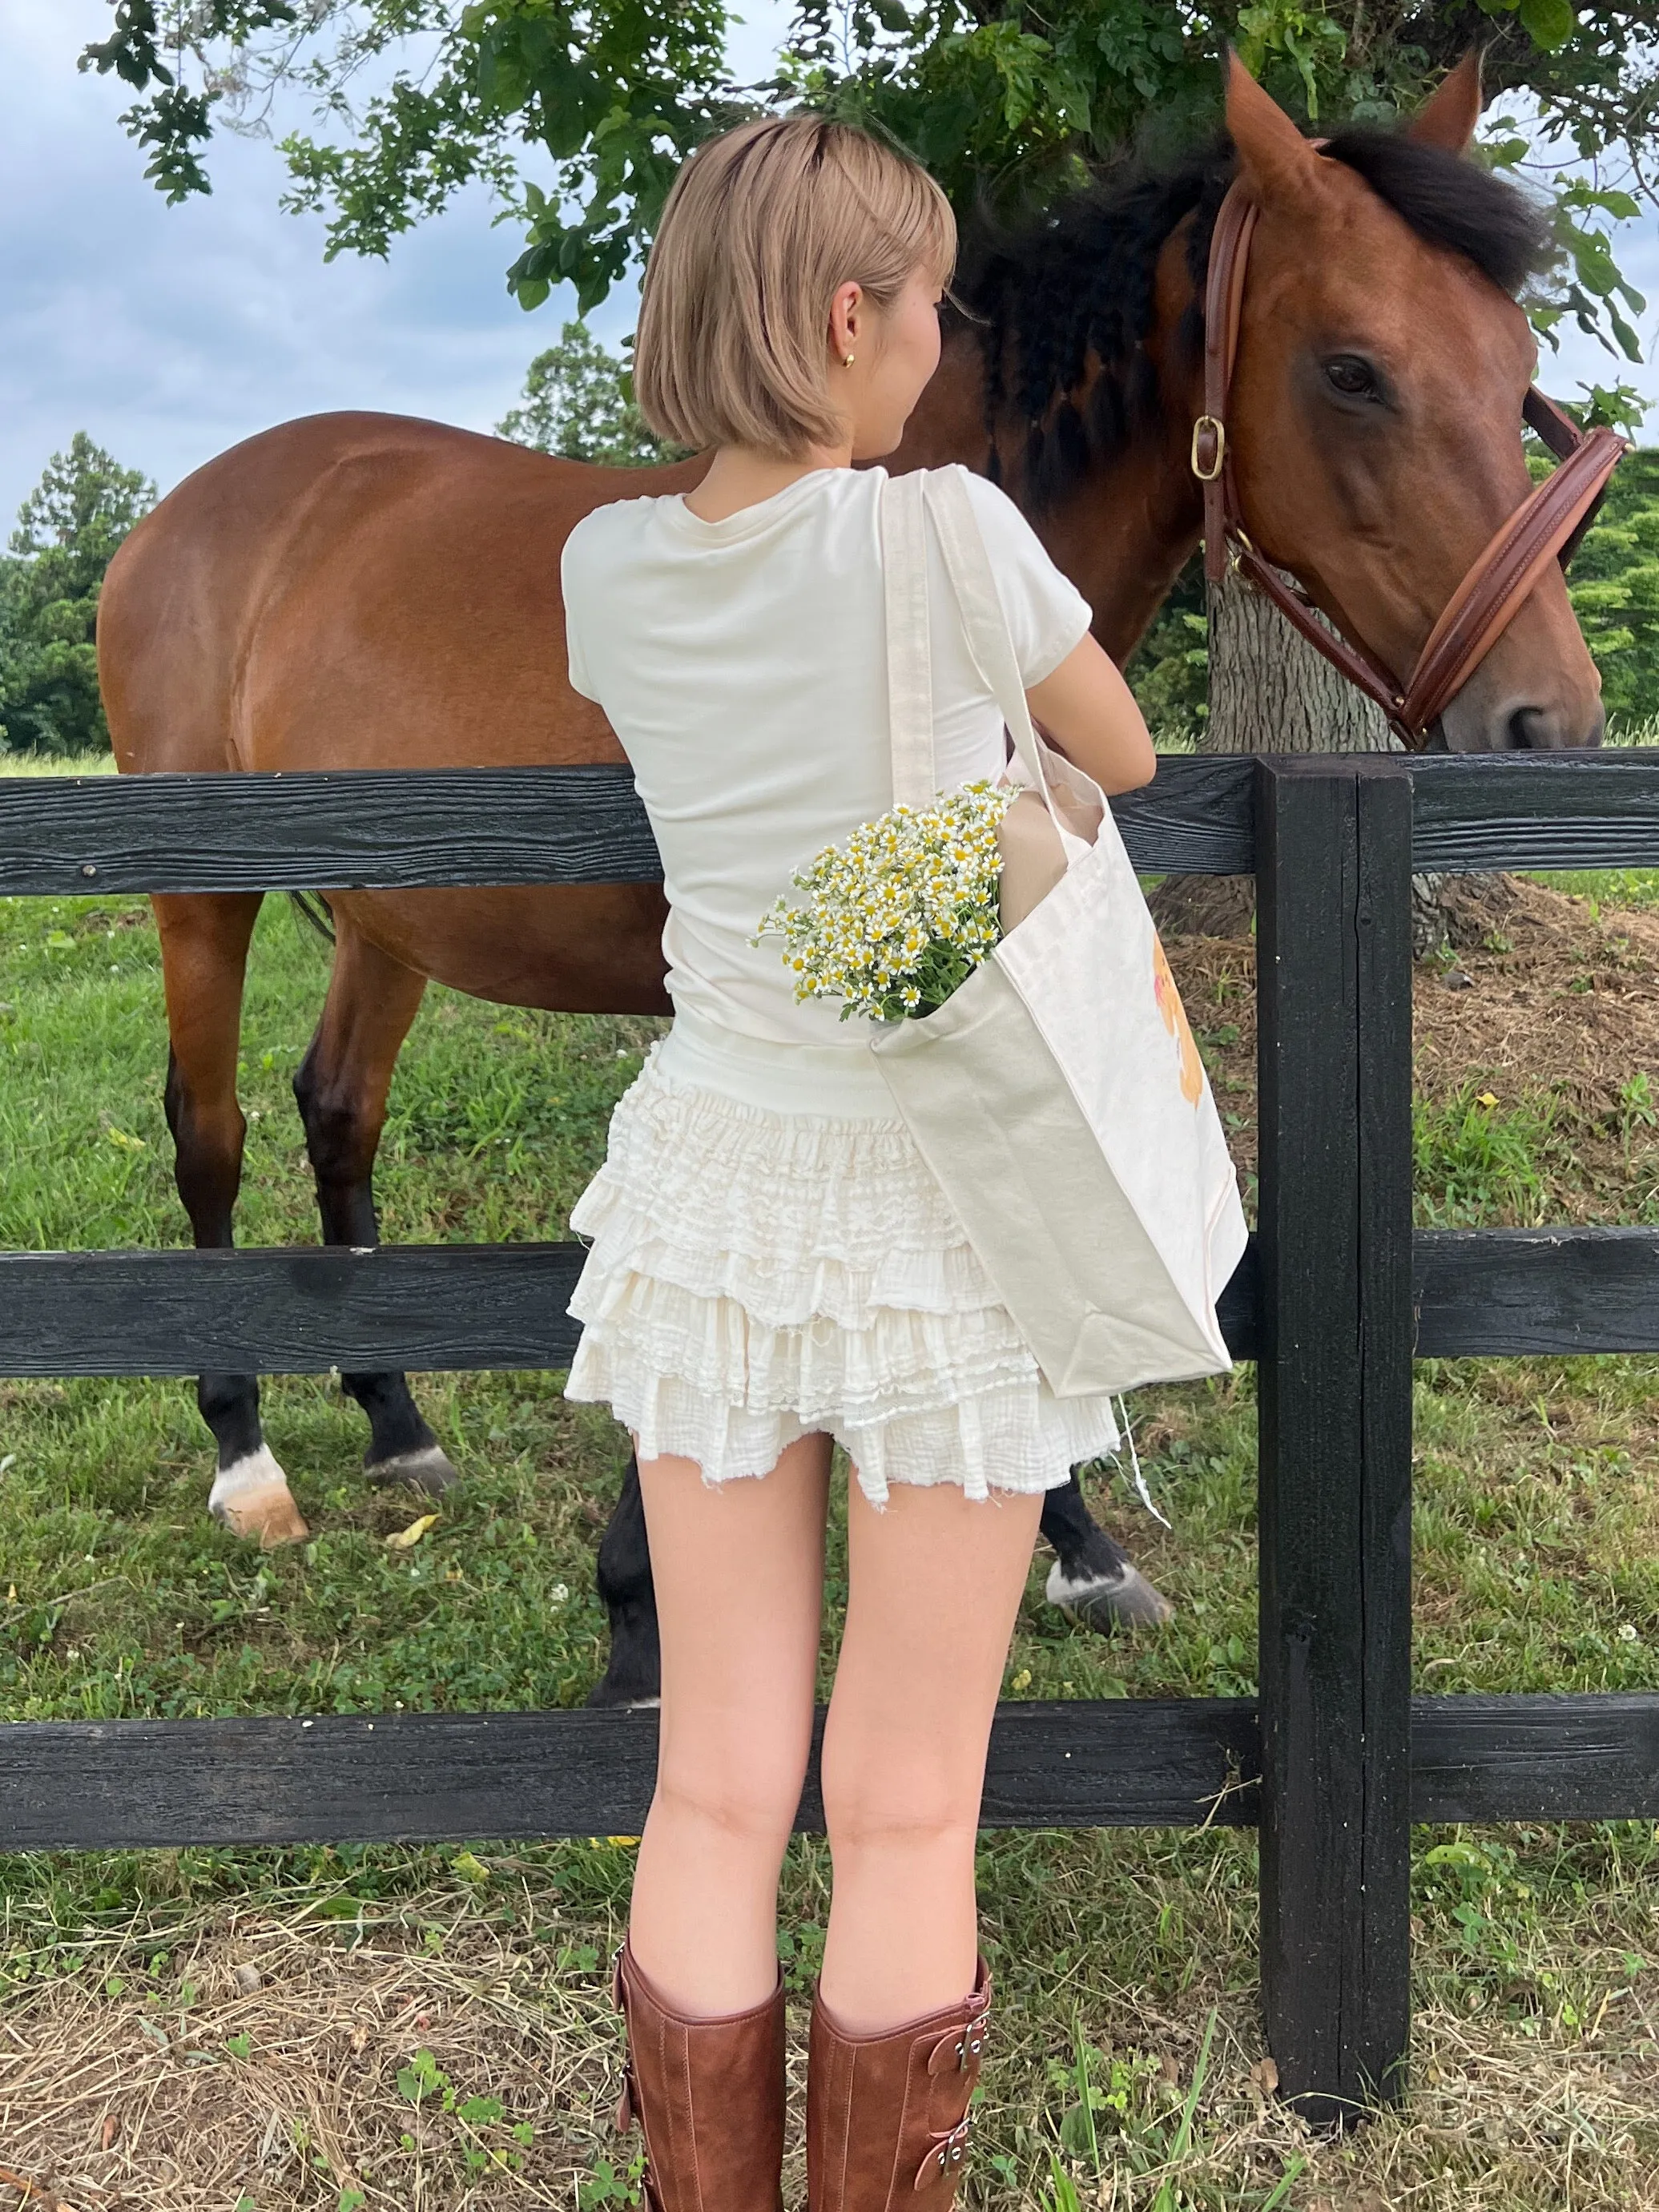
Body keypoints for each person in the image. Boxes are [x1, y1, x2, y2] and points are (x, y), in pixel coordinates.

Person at [559, 114, 1157, 2212]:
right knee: (904, 1809)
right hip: (939, 1210)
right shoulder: (955, 541)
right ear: (845, 317)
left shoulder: (604, 570)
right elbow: (1117, 753)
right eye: (928, 311)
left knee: (714, 1784)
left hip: (714, 1190)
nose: (940, 351)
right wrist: (929, 887)